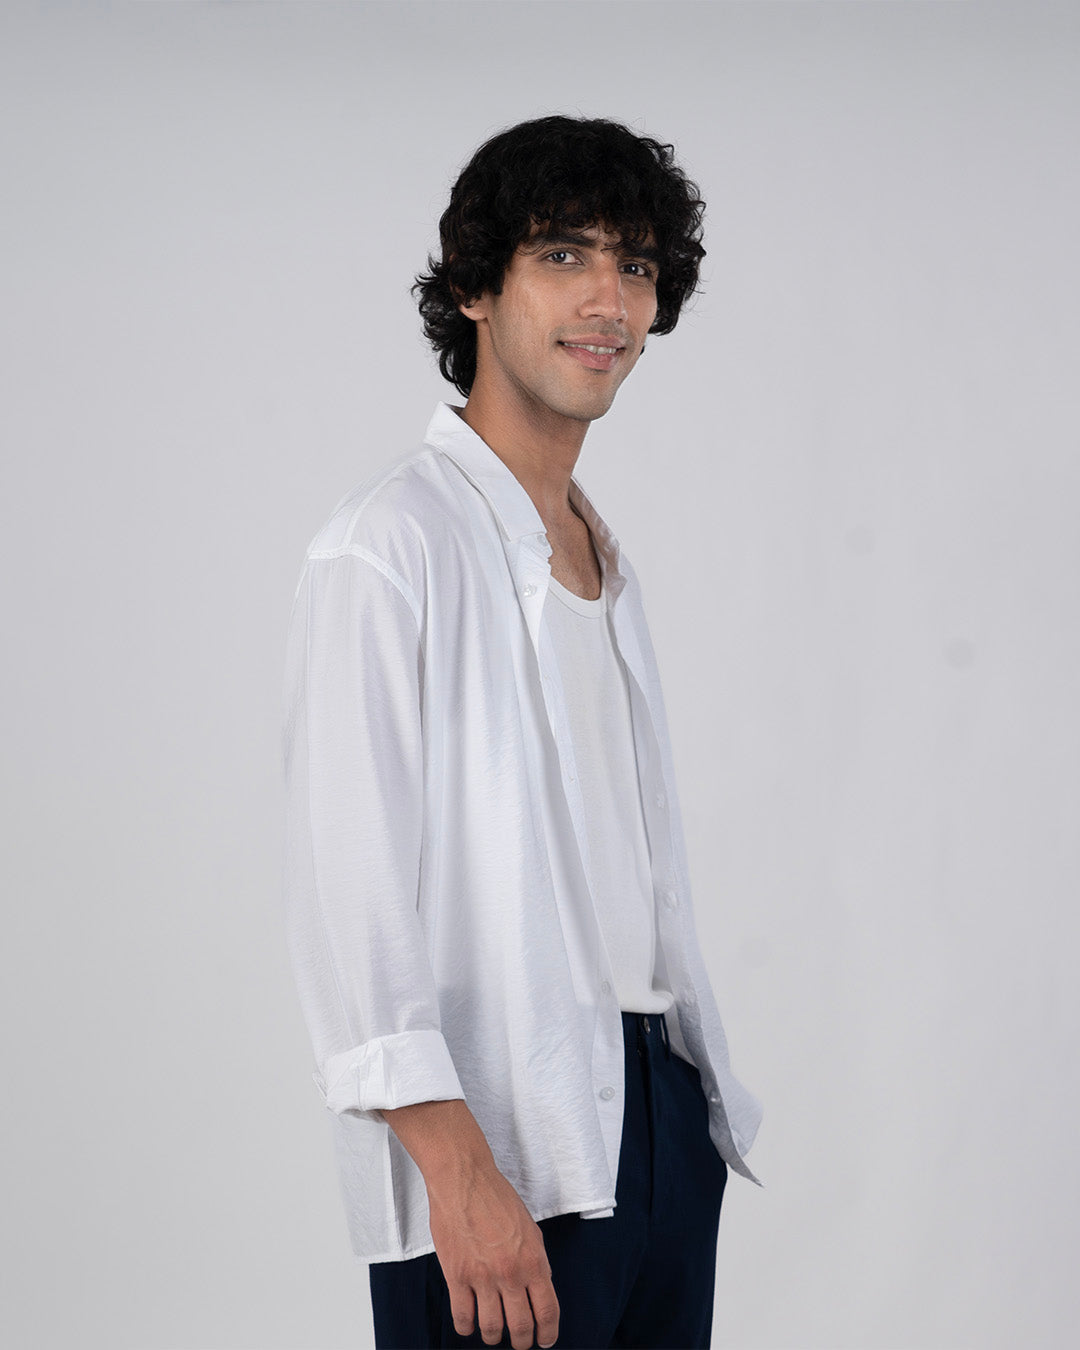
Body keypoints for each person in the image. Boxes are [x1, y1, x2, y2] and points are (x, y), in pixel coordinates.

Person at [281, 114, 763, 1350]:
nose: (609, 299)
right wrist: (457, 1168)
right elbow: (347, 892)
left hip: (655, 1114)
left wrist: (685, 1121)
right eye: (562, 254)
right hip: (500, 1134)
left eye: (637, 265)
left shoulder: (603, 556)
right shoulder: (390, 546)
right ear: (474, 288)